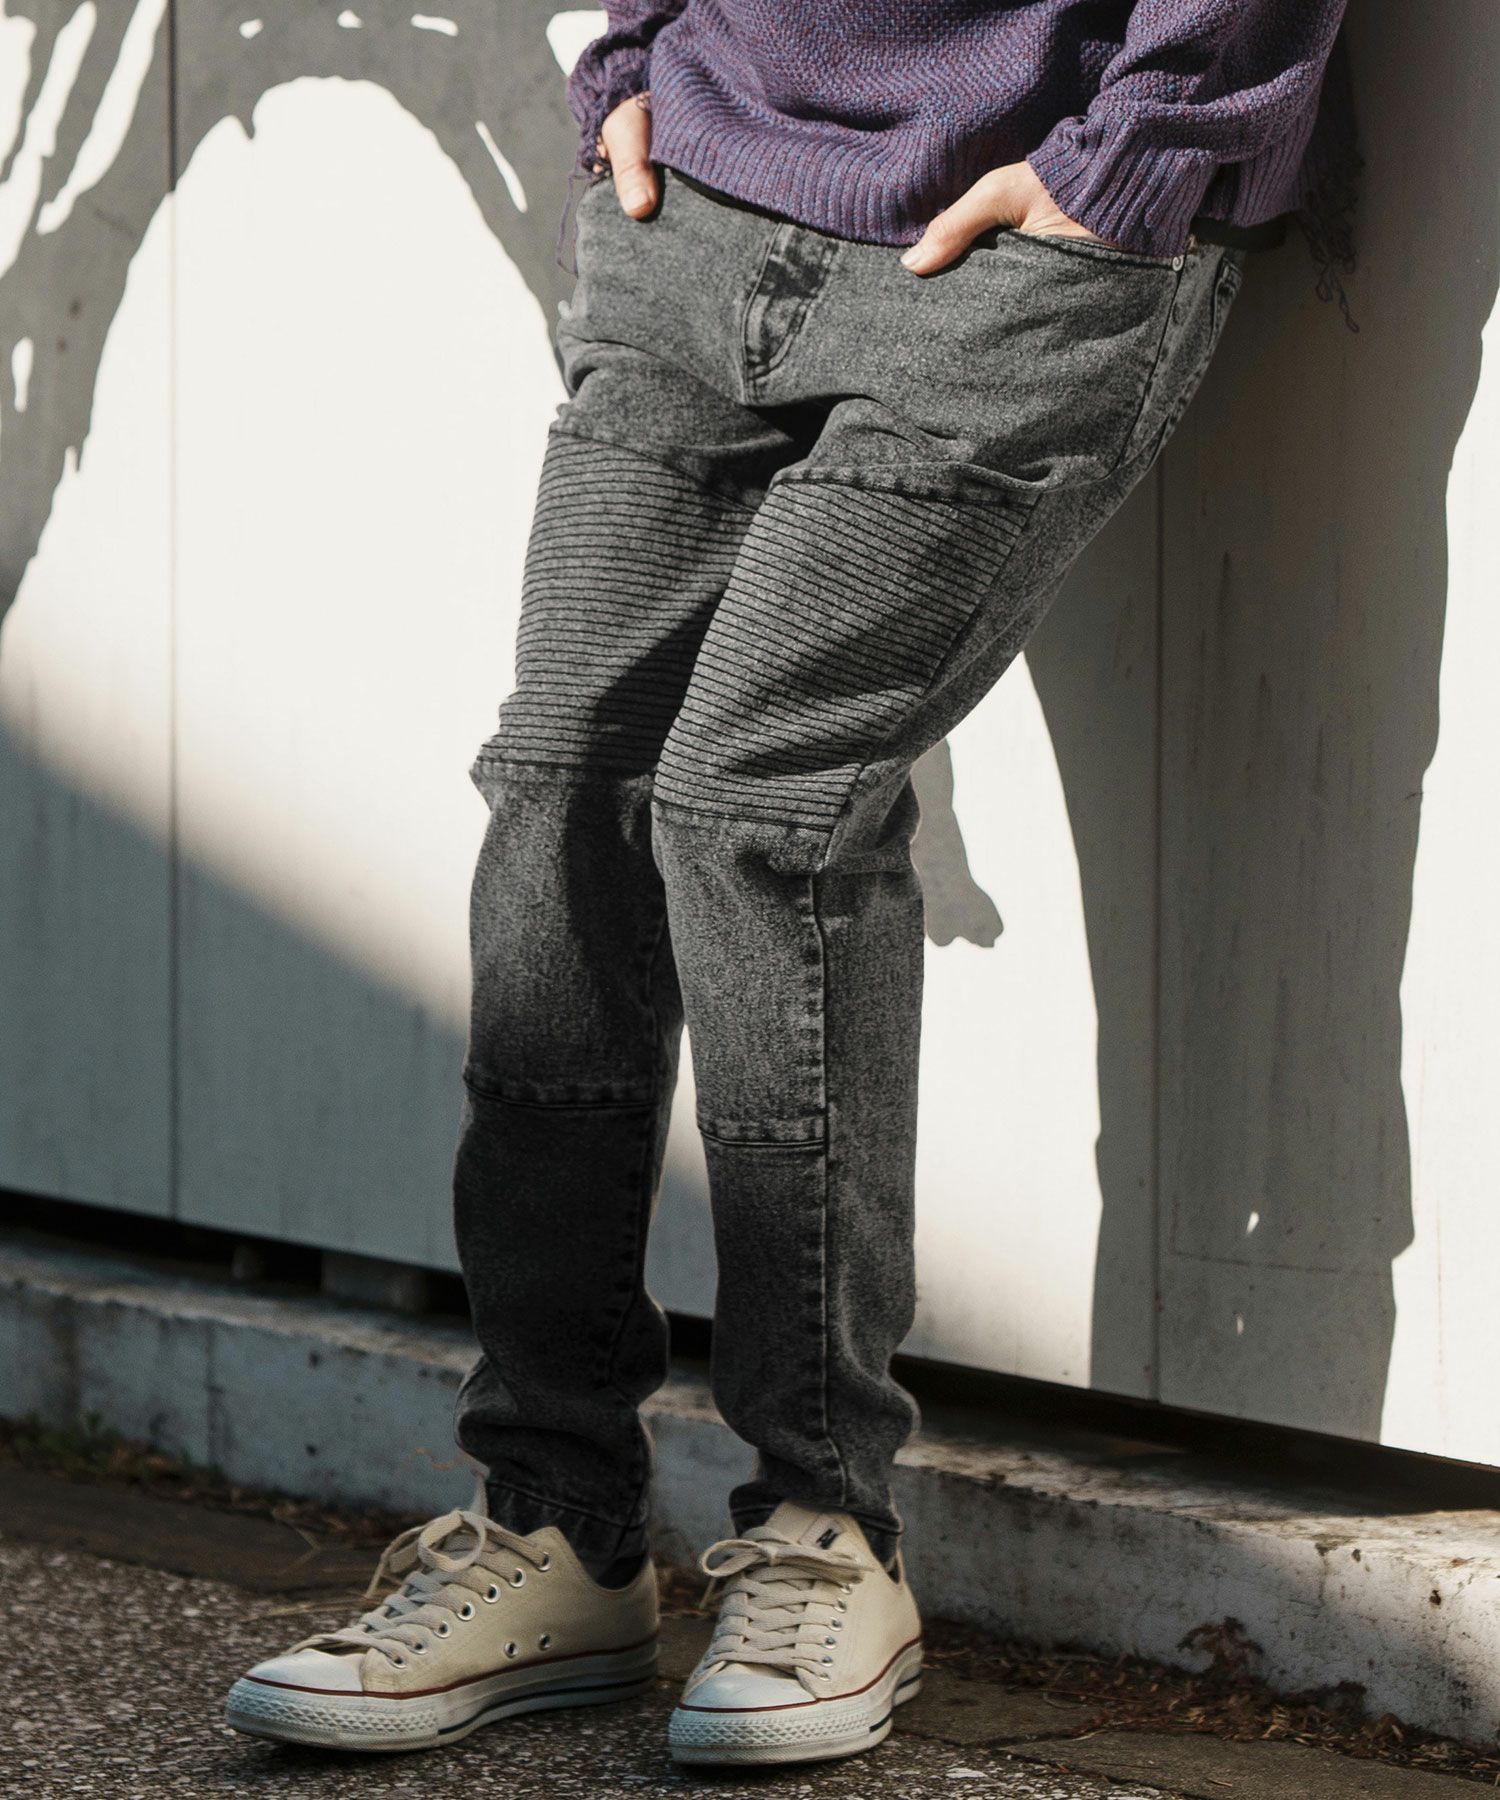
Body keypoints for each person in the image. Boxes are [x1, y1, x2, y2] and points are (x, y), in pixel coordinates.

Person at [227, 0, 1357, 1769]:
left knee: (753, 812)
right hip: (699, 191)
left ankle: (829, 1532)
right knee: (559, 800)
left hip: (1015, 233)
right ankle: (553, 1528)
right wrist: (634, 53)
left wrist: (1143, 151)